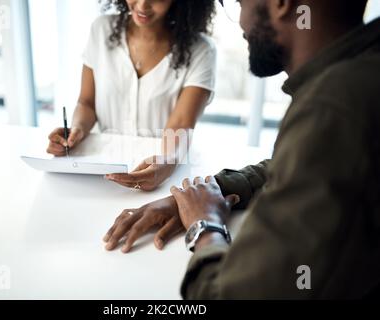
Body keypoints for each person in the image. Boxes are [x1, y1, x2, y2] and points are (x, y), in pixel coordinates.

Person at [103, 0, 380, 299]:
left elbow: (224, 295)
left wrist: (205, 227)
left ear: (281, 5)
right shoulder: (360, 74)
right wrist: (208, 193)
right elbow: (309, 160)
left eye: (238, 2)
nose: (241, 22)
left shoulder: (332, 110)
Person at [47, 0, 217, 191]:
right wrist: (76, 131)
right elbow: (87, 103)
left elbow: (180, 124)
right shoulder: (101, 29)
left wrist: (167, 162)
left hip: (162, 178)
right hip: (100, 174)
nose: (142, 5)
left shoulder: (202, 51)